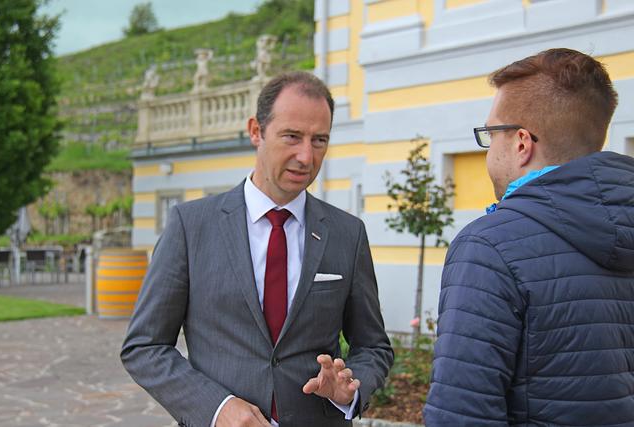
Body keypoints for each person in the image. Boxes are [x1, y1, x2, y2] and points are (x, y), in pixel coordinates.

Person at [121, 71, 394, 427]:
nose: (306, 156)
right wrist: (217, 408)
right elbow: (144, 347)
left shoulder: (347, 233)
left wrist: (351, 388)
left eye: (320, 140)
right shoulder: (191, 226)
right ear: (255, 131)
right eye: (292, 137)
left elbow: (374, 346)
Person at [423, 48, 634, 425]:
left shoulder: (489, 247)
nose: (488, 151)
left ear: (522, 143)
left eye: (490, 134)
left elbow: (461, 413)